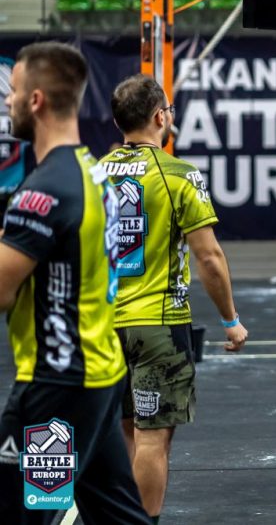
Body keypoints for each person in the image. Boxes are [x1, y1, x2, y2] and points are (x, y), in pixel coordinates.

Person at [0, 42, 150, 524]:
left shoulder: (43, 191)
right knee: (118, 517)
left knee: (25, 515)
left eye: (14, 91)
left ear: (36, 100)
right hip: (99, 376)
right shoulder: (93, 174)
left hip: (55, 389)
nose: (7, 101)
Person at [100, 74, 248, 523]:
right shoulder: (179, 174)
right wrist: (230, 320)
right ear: (160, 117)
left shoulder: (93, 173)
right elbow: (209, 258)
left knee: (126, 431)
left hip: (101, 327)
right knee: (152, 437)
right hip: (158, 327)